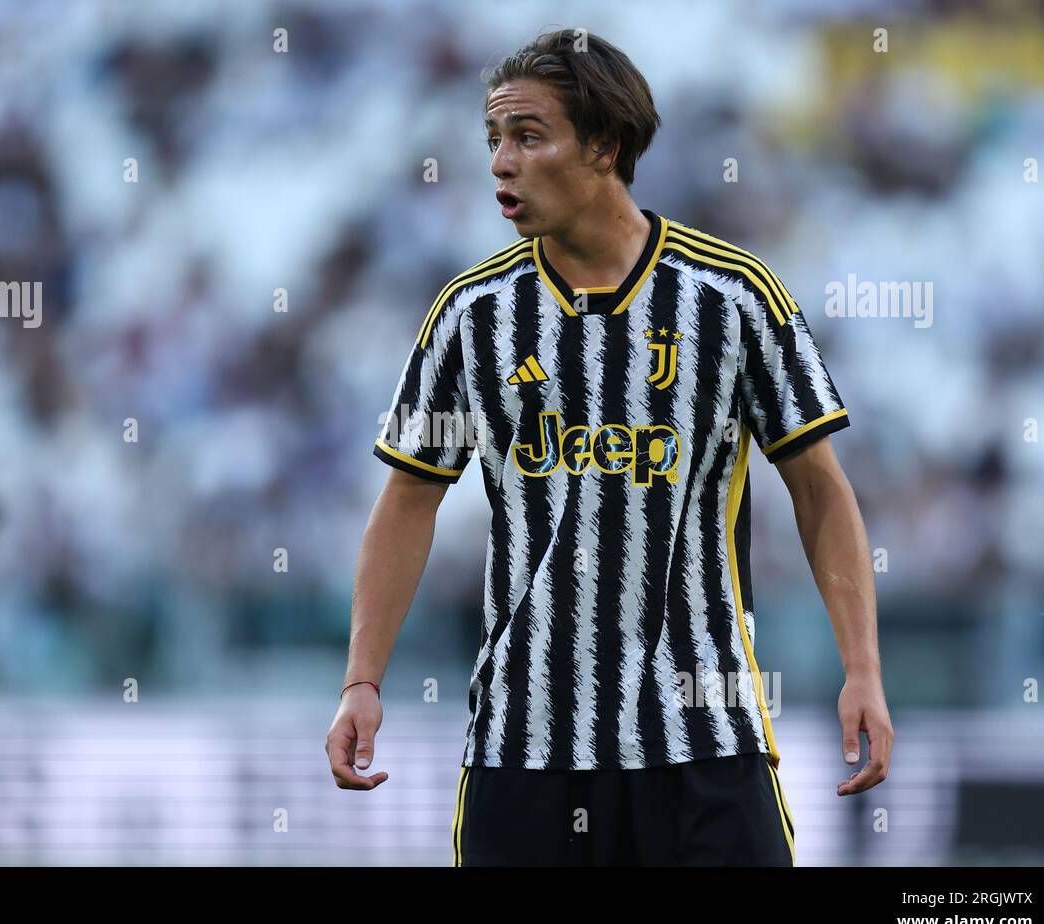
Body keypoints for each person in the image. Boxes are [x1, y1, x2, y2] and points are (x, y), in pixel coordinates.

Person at [326, 28, 893, 866]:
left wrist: (863, 668)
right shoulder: (471, 315)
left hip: (704, 731)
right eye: (492, 140)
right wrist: (362, 679)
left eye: (527, 136)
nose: (499, 163)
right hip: (526, 739)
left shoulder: (732, 297)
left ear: (604, 146)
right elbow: (410, 498)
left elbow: (819, 488)